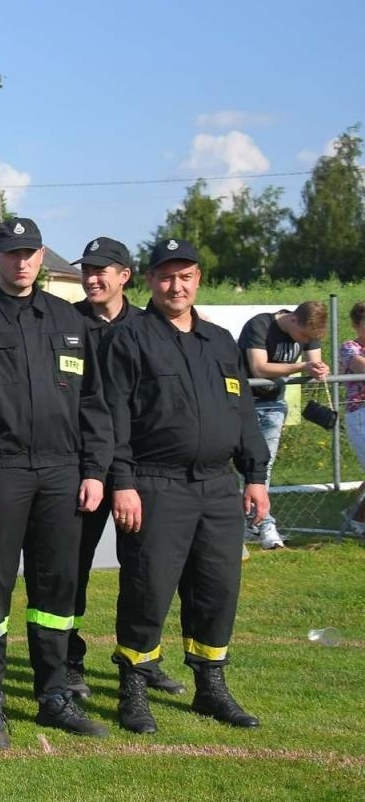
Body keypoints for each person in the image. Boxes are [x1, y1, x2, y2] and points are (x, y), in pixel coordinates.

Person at [0, 217, 113, 748]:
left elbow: (93, 403)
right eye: (12, 253)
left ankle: (53, 694)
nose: (22, 262)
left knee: (56, 587)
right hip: (1, 469)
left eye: (30, 253)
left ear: (41, 257)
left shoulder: (68, 320)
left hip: (63, 471)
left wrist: (95, 470)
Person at [103, 239, 270, 733]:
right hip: (156, 484)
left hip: (218, 486)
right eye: (166, 276)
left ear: (198, 279)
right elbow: (111, 417)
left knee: (217, 590)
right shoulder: (128, 338)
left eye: (186, 276)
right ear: (150, 280)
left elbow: (242, 414)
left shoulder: (220, 341)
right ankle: (134, 686)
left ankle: (210, 687)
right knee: (148, 589)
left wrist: (255, 476)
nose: (176, 286)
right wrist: (123, 482)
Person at [65, 237, 167, 699]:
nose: (92, 277)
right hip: (81, 466)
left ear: (125, 275)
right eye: (87, 269)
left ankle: (146, 657)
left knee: (147, 569)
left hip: (135, 469)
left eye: (102, 269)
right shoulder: (66, 323)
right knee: (72, 568)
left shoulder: (150, 327)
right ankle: (69, 659)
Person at [238, 301, 329, 549]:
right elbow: (259, 368)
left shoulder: (308, 331)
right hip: (241, 405)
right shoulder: (259, 325)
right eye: (304, 336)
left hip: (274, 405)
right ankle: (245, 524)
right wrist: (302, 366)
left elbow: (313, 364)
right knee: (238, 469)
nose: (305, 341)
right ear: (293, 320)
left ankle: (261, 524)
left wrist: (318, 369)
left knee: (262, 467)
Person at [341, 301, 365, 536]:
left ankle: (353, 514)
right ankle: (357, 519)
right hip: (360, 414)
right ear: (356, 325)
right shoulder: (349, 348)